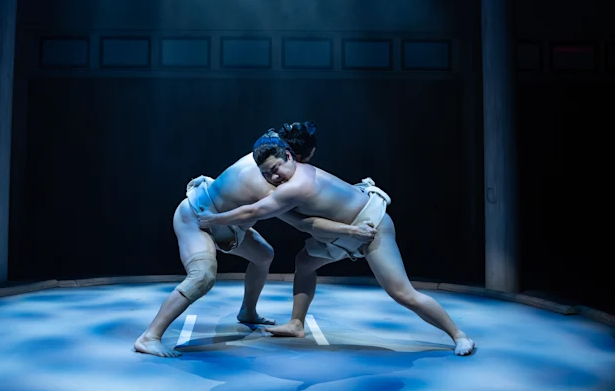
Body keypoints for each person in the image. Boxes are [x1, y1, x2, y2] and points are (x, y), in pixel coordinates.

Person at [197, 130, 476, 356]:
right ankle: (296, 324)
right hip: (348, 231)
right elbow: (306, 223)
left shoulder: (296, 186)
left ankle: (459, 335)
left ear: (290, 156)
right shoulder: (296, 174)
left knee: (402, 293)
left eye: (277, 168)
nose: (274, 177)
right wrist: (348, 231)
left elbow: (254, 211)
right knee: (304, 262)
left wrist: (214, 218)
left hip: (372, 226)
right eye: (267, 174)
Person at [134, 122, 373, 358]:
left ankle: (248, 312)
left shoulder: (267, 158)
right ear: (292, 156)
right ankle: (149, 337)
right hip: (198, 219)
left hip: (227, 226)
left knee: (263, 255)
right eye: (305, 162)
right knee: (202, 277)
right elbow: (303, 222)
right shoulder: (270, 182)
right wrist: (350, 227)